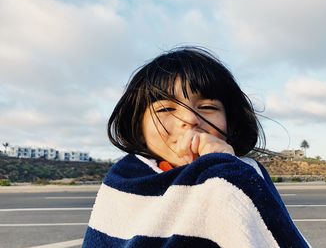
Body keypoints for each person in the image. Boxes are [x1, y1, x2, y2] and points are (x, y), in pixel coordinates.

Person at [83, 47, 310, 247]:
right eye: (166, 109)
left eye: (208, 106)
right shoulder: (123, 180)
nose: (191, 119)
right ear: (138, 127)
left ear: (231, 123)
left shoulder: (244, 174)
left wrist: (225, 167)